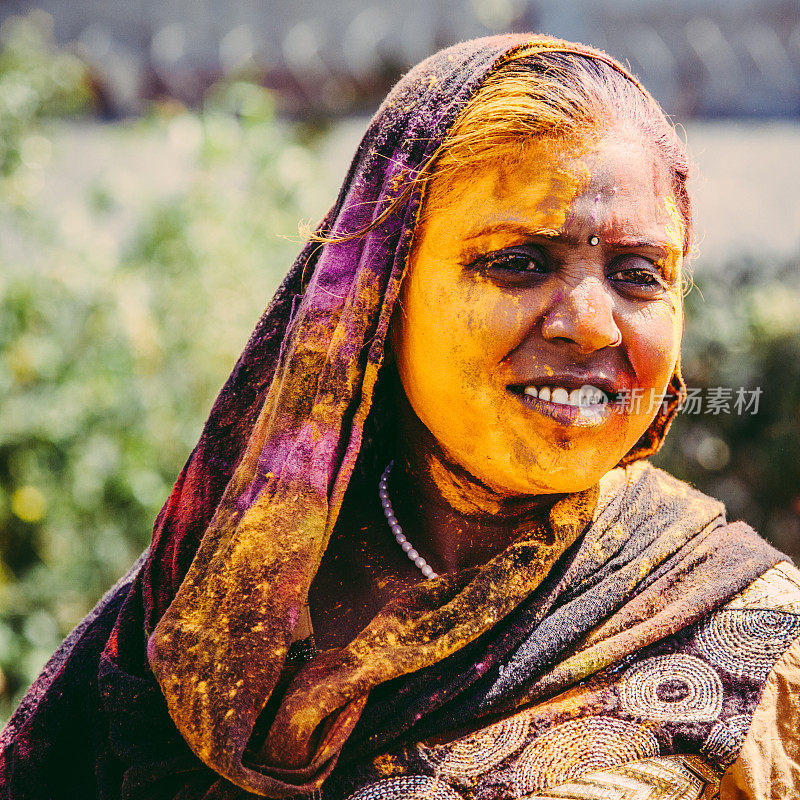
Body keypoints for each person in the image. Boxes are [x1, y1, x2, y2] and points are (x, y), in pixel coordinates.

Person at [1, 33, 798, 800]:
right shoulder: (211, 599)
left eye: (638, 273)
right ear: (380, 297)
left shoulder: (749, 635)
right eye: (518, 262)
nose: (592, 323)